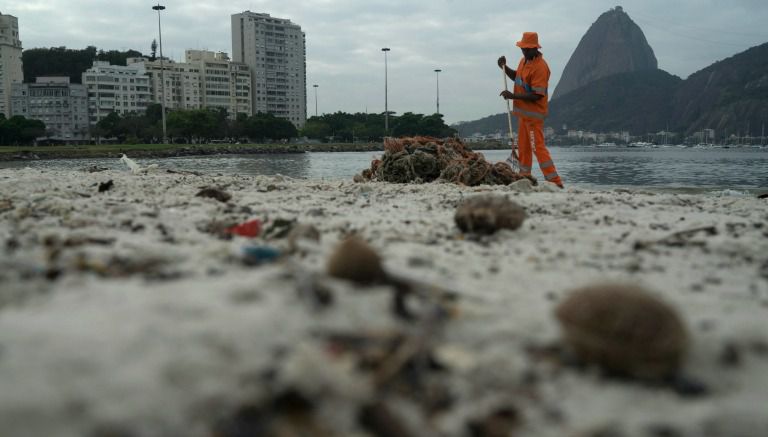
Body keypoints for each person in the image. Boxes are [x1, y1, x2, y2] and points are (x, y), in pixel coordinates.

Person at [498, 32, 564, 188]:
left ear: (535, 48)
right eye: (523, 49)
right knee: (524, 149)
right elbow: (517, 77)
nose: (525, 52)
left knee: (538, 149)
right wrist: (504, 67)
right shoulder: (524, 61)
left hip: (534, 118)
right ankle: (524, 178)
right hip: (523, 116)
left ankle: (555, 182)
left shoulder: (541, 67)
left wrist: (513, 96)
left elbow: (537, 95)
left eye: (528, 49)